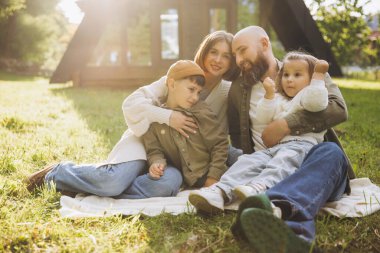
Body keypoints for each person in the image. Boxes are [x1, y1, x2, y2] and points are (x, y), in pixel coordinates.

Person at [188, 26, 353, 252]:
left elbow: (338, 108)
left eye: (243, 50)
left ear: (265, 44)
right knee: (246, 161)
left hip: (311, 165)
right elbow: (236, 136)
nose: (238, 60)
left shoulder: (304, 67)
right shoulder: (238, 89)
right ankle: (290, 230)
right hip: (265, 166)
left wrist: (286, 124)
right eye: (235, 54)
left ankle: (266, 207)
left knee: (331, 153)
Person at [24, 31, 240, 197]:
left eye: (226, 56)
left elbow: (220, 139)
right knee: (113, 182)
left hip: (178, 161)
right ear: (204, 52)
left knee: (165, 185)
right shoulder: (180, 77)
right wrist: (169, 117)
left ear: (232, 62)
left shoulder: (227, 91)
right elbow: (131, 104)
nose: (218, 60)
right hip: (145, 140)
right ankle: (62, 172)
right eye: (214, 52)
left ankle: (90, 188)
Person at [190, 51, 330, 207]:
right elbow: (263, 117)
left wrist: (318, 77)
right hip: (274, 147)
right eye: (286, 75)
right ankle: (220, 191)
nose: (290, 80)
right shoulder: (280, 98)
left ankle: (260, 187)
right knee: (248, 161)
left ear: (310, 80)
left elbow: (316, 102)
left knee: (282, 163)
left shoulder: (307, 96)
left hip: (301, 146)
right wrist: (269, 96)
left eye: (297, 75)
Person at [141, 60, 229, 190]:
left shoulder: (200, 111)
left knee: (243, 163)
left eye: (198, 92)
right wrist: (156, 163)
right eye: (191, 89)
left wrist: (213, 178)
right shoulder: (156, 118)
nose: (195, 97)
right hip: (186, 178)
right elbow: (154, 150)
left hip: (210, 171)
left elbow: (219, 144)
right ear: (172, 84)